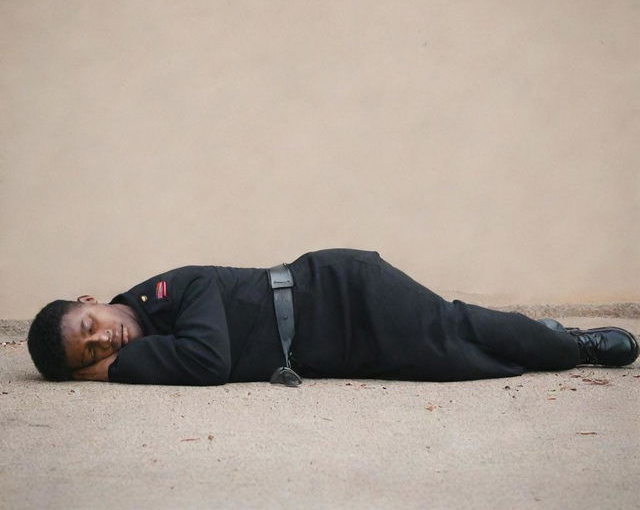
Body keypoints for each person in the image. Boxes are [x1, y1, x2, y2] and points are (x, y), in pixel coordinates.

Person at [27, 248, 638, 386]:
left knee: (454, 331)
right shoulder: (154, 332)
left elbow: (209, 360)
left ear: (89, 301)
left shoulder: (169, 289)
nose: (105, 339)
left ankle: (571, 345)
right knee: (462, 365)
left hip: (341, 293)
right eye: (93, 353)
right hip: (330, 346)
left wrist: (108, 372)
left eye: (91, 329)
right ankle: (543, 343)